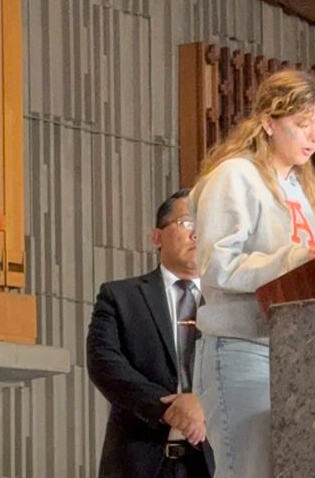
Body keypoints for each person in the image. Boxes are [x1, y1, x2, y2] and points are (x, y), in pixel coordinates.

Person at [189, 69, 315, 478]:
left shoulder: (310, 194)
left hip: (299, 352)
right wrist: (290, 261)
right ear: (270, 122)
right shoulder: (236, 176)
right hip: (242, 348)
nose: (313, 138)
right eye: (301, 125)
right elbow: (218, 266)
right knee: (248, 471)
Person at [87, 189, 215, 478]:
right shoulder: (120, 297)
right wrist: (166, 409)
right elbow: (104, 364)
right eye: (186, 223)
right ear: (157, 237)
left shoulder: (229, 304)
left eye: (204, 225)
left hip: (212, 462)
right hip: (139, 462)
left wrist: (203, 404)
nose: (197, 235)